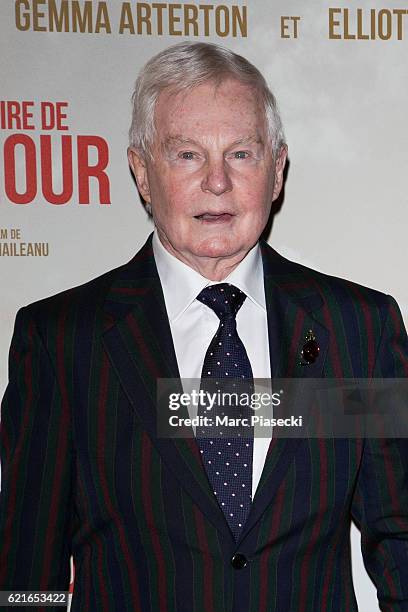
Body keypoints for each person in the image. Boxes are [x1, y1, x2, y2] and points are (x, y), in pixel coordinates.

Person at [1, 41, 407, 612]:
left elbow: (400, 538)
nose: (217, 182)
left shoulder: (357, 332)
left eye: (241, 154)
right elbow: (25, 574)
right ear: (142, 173)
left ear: (277, 169)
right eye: (187, 154)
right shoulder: (64, 342)